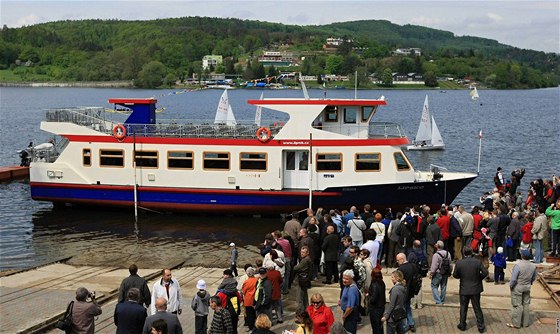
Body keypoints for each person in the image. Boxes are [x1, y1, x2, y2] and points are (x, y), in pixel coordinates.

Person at [452, 246, 488, 333]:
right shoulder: (477, 262)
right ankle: (481, 327)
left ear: (463, 253)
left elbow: (455, 275)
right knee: (477, 308)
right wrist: (479, 278)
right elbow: (485, 272)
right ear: (471, 252)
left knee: (463, 307)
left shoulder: (459, 263)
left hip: (464, 288)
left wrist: (462, 276)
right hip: (475, 288)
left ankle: (462, 325)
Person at [507, 249, 537, 328]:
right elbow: (534, 277)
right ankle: (525, 323)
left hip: (518, 287)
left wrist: (511, 286)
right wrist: (529, 283)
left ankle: (516, 323)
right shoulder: (533, 266)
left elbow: (513, 279)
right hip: (527, 287)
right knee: (526, 305)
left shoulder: (518, 266)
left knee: (517, 305)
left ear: (522, 256)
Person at [395, 253, 417, 333]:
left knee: (403, 310)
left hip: (403, 292)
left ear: (402, 259)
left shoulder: (401, 269)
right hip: (410, 291)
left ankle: (404, 326)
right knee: (408, 308)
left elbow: (397, 281)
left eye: (398, 260)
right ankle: (411, 324)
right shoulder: (413, 266)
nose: (397, 262)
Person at [428, 241, 451, 305]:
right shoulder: (448, 253)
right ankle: (442, 300)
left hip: (438, 273)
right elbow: (450, 264)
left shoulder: (436, 255)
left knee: (434, 286)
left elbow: (434, 266)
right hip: (445, 272)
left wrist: (431, 273)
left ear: (437, 246)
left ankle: (438, 301)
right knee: (443, 286)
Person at [339, 269, 361, 334]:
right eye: (343, 278)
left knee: (349, 332)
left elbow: (350, 307)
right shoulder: (347, 285)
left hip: (350, 315)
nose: (344, 280)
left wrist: (344, 316)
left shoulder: (352, 289)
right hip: (348, 314)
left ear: (352, 279)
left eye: (346, 279)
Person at [292, 246, 312, 310]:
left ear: (307, 253)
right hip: (305, 280)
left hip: (302, 280)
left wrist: (295, 266)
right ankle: (307, 310)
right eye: (301, 252)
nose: (302, 253)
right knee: (304, 297)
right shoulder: (307, 259)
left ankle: (300, 313)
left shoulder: (305, 260)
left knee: (300, 298)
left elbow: (296, 268)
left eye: (303, 252)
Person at [367, 268, 386, 334]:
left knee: (376, 327)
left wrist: (369, 298)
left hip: (375, 309)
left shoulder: (374, 284)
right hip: (381, 307)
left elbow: (374, 298)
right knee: (380, 326)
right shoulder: (382, 282)